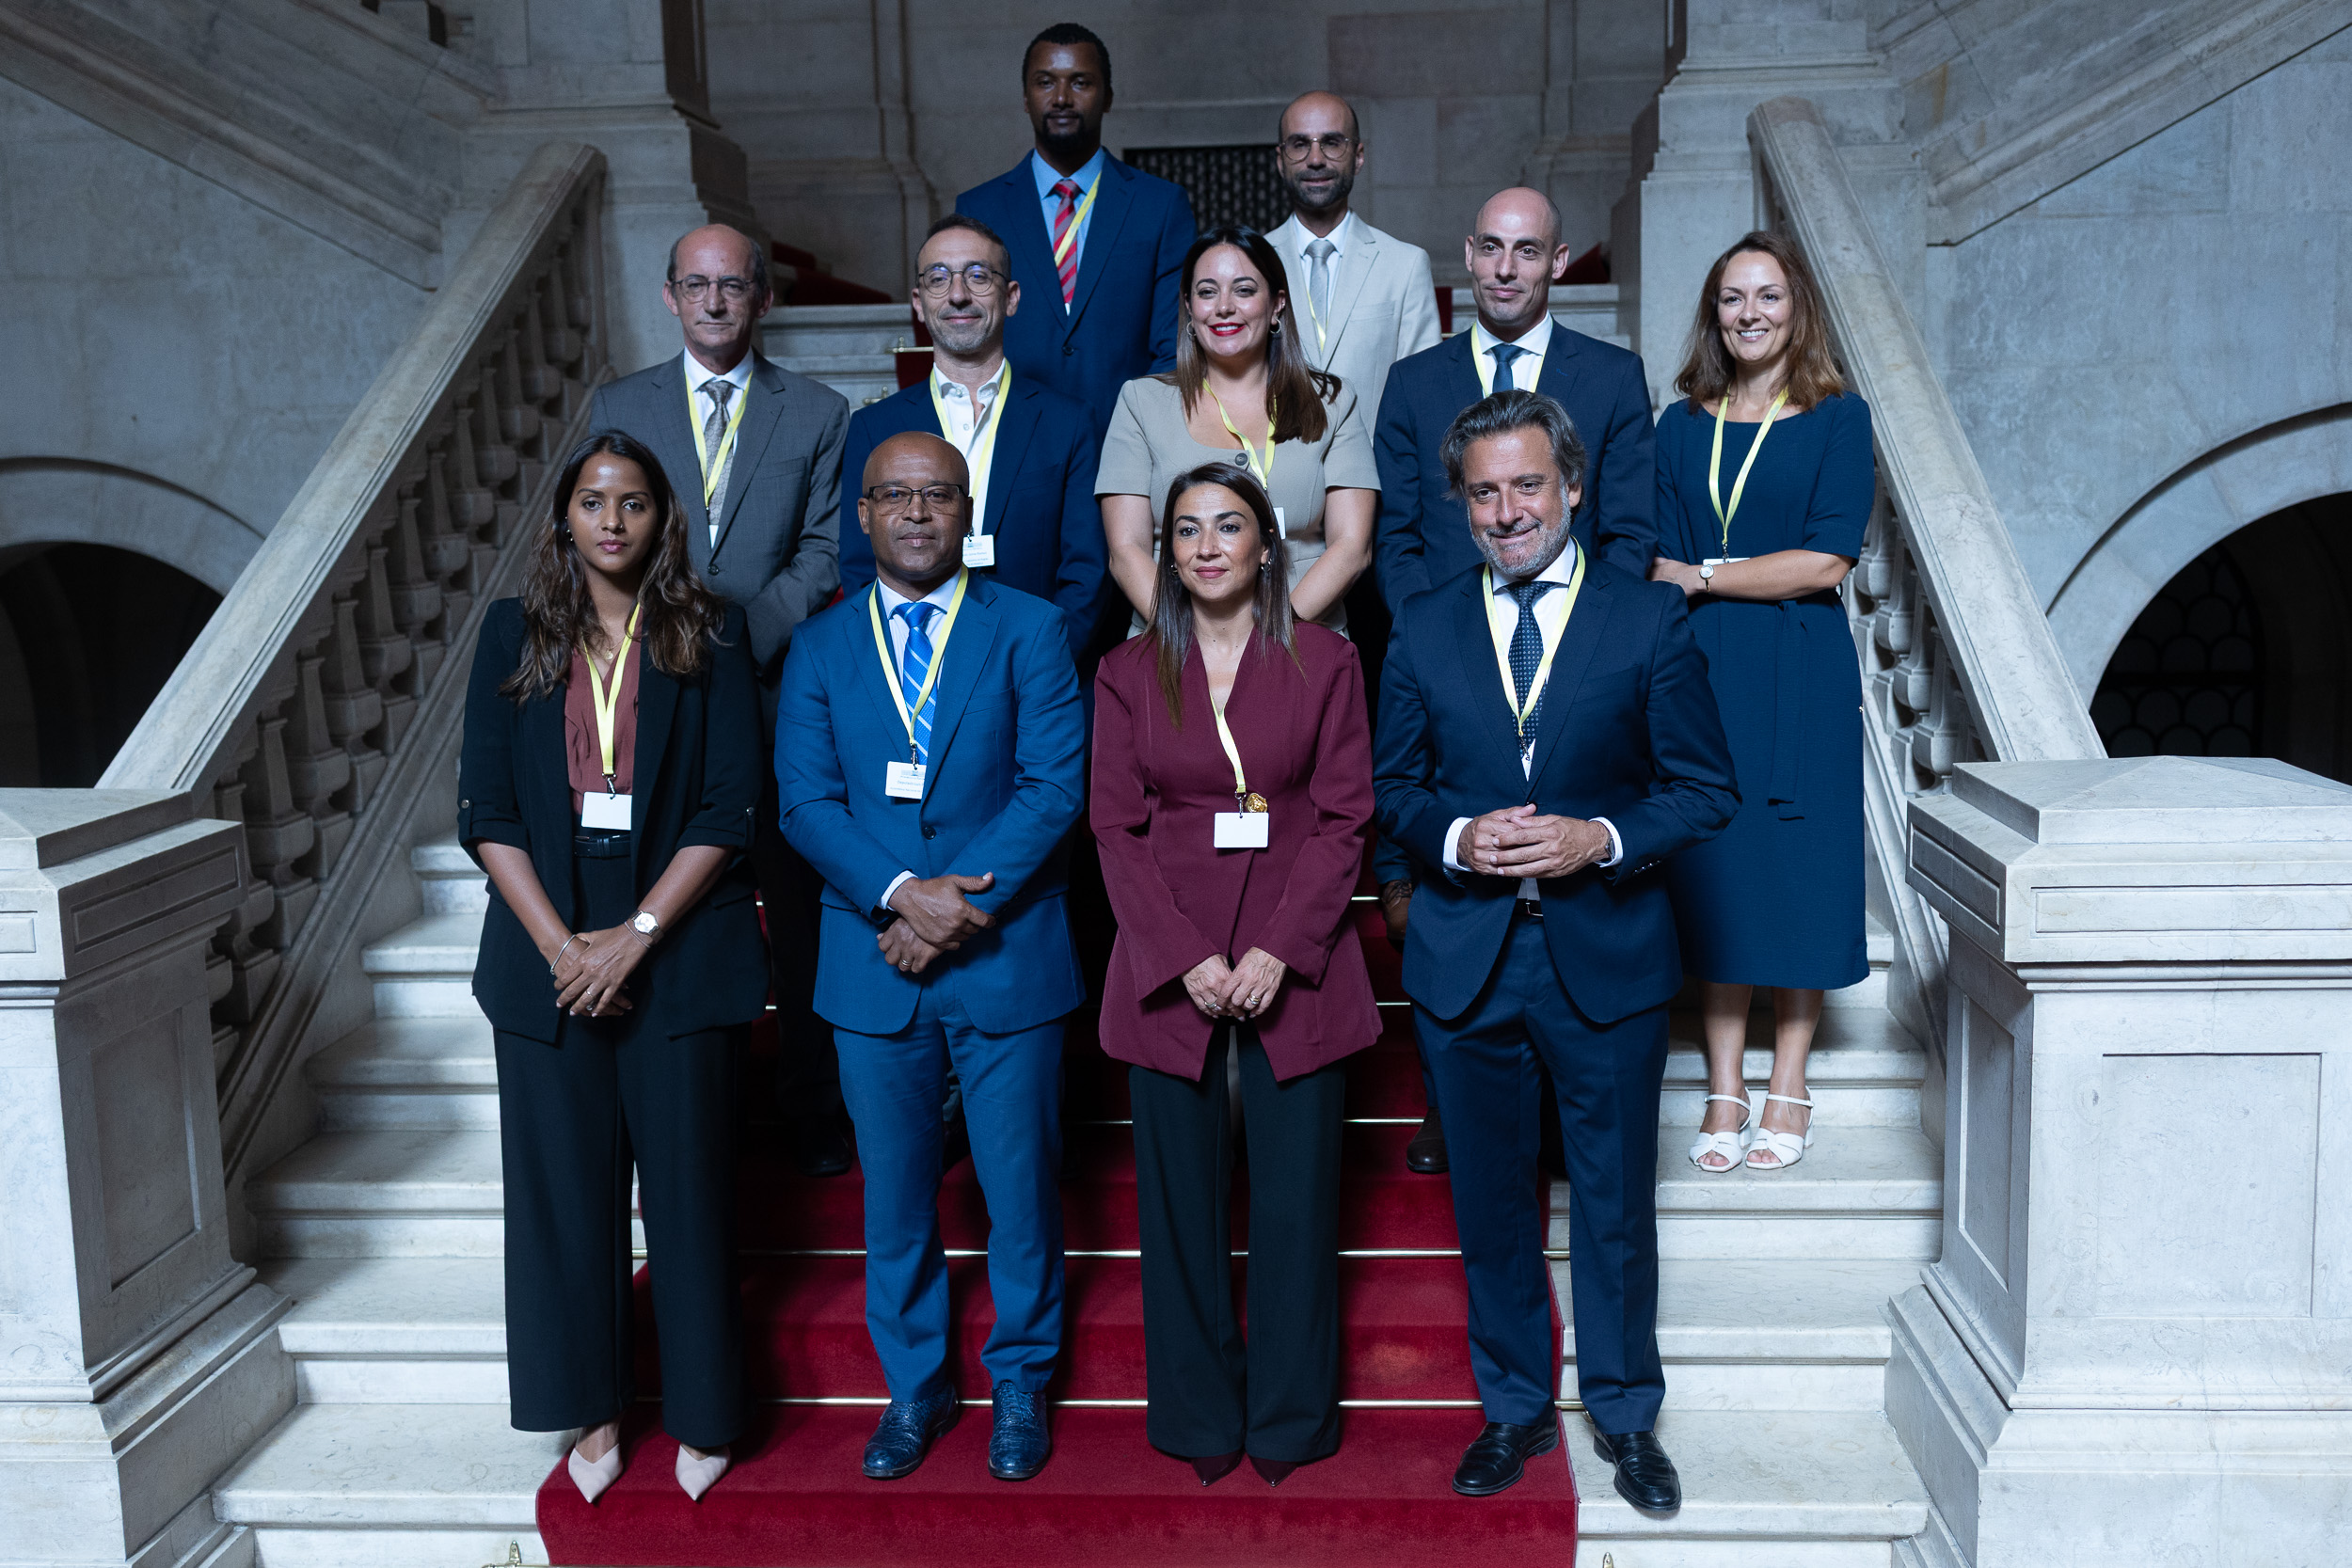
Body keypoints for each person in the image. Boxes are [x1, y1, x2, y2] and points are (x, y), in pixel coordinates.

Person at [1372, 390, 1736, 1511]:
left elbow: (1703, 789)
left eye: (1527, 484)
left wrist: (1599, 837)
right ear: (1460, 504)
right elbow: (1393, 788)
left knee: (1616, 1205)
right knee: (1489, 1201)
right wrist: (1453, 838)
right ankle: (1515, 1405)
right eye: (1483, 491)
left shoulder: (1648, 617)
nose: (1507, 510)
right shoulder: (1422, 621)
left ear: (1573, 486)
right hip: (1467, 958)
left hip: (1604, 953)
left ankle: (1624, 1414)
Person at [458, 432, 766, 1504]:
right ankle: (591, 1410)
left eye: (632, 502)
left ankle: (704, 1411)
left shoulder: (711, 629)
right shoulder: (512, 631)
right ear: (564, 517)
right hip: (542, 948)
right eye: (592, 501)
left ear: (660, 518)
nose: (612, 520)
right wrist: (562, 947)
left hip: (677, 941)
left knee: (690, 1193)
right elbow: (486, 810)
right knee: (563, 1199)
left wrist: (634, 934)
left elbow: (730, 804)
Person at [776, 432, 1088, 1484]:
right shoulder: (819, 645)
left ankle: (1021, 1380)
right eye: (895, 495)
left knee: (1020, 1190)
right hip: (873, 961)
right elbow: (805, 802)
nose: (917, 512)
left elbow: (1053, 787)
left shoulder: (1032, 629)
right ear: (862, 514)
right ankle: (916, 1385)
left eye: (938, 494)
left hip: (1006, 957)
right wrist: (903, 893)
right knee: (895, 1196)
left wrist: (951, 907)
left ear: (968, 511)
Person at [1091, 462, 1380, 1488]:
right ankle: (1198, 1418)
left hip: (1295, 956)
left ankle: (1292, 1421)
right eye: (1185, 530)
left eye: (1227, 526)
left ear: (1266, 545)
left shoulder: (1326, 659)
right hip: (1168, 960)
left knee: (1297, 1209)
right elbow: (1114, 828)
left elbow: (1346, 816)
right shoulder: (1127, 670)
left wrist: (1277, 950)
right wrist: (1182, 958)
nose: (1206, 546)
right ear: (1165, 552)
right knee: (1178, 1210)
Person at [1369, 186, 1658, 1172]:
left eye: (1526, 250)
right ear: (1466, 252)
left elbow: (1630, 532)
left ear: (1558, 261)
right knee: (1443, 884)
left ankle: (1559, 1091)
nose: (1504, 268)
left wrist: (1582, 643)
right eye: (1489, 247)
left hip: (1571, 662)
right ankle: (1452, 1096)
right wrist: (1442, 634)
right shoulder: (1414, 381)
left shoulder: (1610, 377)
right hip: (1448, 664)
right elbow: (1398, 535)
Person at [590, 223, 854, 1179]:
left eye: (733, 285)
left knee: (798, 917)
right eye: (696, 285)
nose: (713, 301)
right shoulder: (620, 405)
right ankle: (694, 1116)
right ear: (669, 295)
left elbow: (823, 551)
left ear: (762, 297)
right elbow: (601, 537)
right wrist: (664, 644)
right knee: (672, 911)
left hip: (775, 696)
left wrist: (738, 639)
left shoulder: (819, 410)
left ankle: (813, 1109)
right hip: (650, 698)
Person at [1649, 231, 1870, 1175]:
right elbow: (1652, 557)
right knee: (1720, 869)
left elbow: (1825, 560)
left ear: (1797, 308)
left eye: (1768, 296)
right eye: (1733, 297)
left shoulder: (1837, 417)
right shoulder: (1678, 425)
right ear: (1714, 312)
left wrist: (1704, 575)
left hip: (1798, 667)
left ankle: (1788, 1079)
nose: (1750, 313)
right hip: (1700, 668)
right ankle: (1724, 1083)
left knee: (1801, 868)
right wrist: (1695, 578)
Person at [1261, 87, 1444, 1166]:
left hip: (1375, 544)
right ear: (1279, 155)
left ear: (1359, 154)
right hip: (1278, 544)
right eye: (1300, 142)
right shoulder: (1247, 264)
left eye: (1333, 141)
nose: (1317, 156)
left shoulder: (1403, 264)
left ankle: (1394, 893)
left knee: (1380, 759)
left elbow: (1419, 403)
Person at [839, 213, 1107, 671]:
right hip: (913, 668)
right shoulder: (873, 427)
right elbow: (861, 568)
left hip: (1037, 673)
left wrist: (1040, 669)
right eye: (938, 278)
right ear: (918, 303)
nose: (958, 294)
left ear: (1012, 297)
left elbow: (1087, 572)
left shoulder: (1068, 422)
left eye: (978, 276)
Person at [1097, 227, 1378, 636]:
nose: (1224, 307)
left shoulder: (1333, 400)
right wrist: (1199, 643)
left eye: (1244, 290)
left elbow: (1352, 548)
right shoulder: (1139, 402)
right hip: (1174, 641)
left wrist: (1272, 639)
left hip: (1303, 636)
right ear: (1189, 307)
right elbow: (1126, 552)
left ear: (1277, 304)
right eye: (1207, 292)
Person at [956, 23, 1196, 445]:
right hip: (1011, 439)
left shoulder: (1159, 206)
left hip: (1127, 443)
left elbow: (1173, 347)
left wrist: (1140, 438)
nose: (1062, 98)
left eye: (1080, 82)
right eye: (1045, 82)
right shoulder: (979, 209)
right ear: (1026, 98)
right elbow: (968, 342)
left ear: (1108, 97)